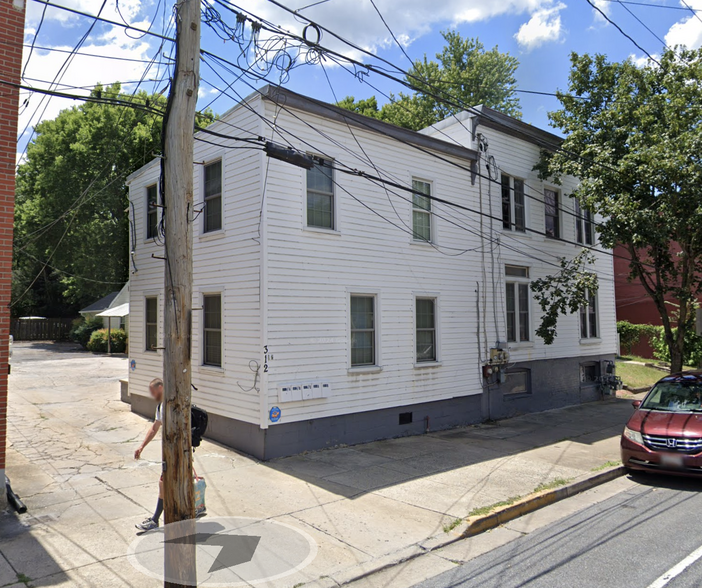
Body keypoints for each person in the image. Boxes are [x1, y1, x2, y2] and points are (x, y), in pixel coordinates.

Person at [134, 377, 165, 532]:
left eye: (153, 392)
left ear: (160, 388)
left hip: (177, 452)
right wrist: (142, 446)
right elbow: (154, 428)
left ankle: (155, 519)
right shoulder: (161, 407)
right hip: (169, 452)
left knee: (163, 484)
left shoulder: (172, 404)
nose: (152, 395)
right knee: (166, 484)